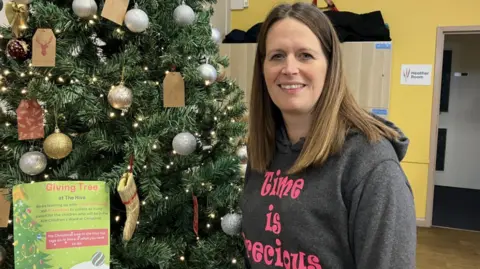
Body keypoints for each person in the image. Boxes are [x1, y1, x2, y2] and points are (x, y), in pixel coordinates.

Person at [240, 2, 417, 269]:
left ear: (330, 66)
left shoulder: (371, 165)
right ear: (262, 68)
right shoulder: (261, 150)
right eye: (277, 55)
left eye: (305, 55)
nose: (289, 68)